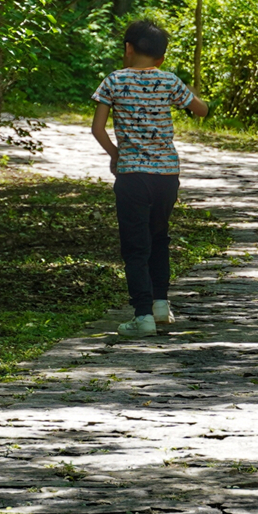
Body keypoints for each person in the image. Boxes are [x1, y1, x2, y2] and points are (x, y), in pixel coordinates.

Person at [91, 19, 210, 338]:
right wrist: (190, 93)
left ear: (128, 49)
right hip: (167, 175)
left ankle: (142, 314)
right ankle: (160, 305)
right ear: (161, 57)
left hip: (132, 176)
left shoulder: (114, 81)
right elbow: (201, 109)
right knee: (159, 238)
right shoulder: (169, 81)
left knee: (135, 246)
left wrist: (116, 154)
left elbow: (98, 129)